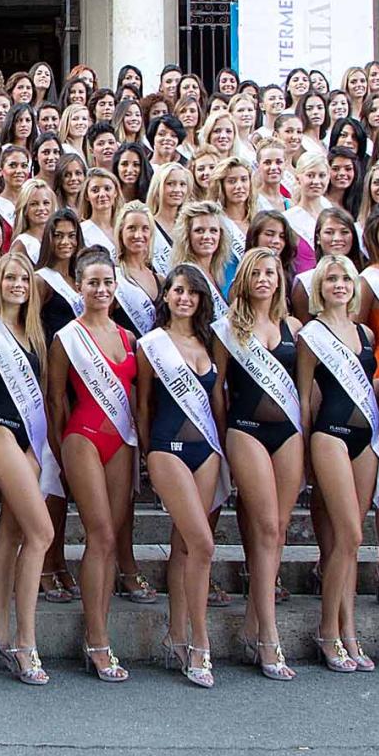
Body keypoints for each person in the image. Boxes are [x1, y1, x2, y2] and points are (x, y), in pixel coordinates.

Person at [0, 248, 57, 686]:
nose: (18, 285)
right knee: (43, 533)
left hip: (28, 438)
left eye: (24, 279)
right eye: (9, 278)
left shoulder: (35, 332)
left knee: (13, 535)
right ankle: (25, 641)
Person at [48, 249, 137, 682]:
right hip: (82, 437)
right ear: (78, 286)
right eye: (92, 283)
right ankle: (98, 639)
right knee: (99, 531)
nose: (101, 290)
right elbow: (54, 399)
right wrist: (62, 448)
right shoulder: (67, 336)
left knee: (111, 537)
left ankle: (96, 629)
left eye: (108, 282)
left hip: (121, 441)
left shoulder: (127, 338)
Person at [137, 263, 228, 686]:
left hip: (205, 451)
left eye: (192, 292)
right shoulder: (151, 344)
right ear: (166, 296)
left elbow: (218, 405)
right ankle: (200, 642)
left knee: (185, 546)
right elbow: (141, 405)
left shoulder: (210, 342)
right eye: (177, 290)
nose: (184, 298)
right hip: (167, 449)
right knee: (203, 544)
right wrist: (144, 453)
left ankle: (176, 635)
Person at [219, 245, 305, 680]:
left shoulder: (294, 326)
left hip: (288, 434)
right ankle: (270, 637)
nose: (265, 279)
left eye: (272, 272)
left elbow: (304, 389)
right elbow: (216, 390)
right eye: (257, 273)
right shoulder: (228, 328)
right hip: (246, 428)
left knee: (279, 528)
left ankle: (255, 621)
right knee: (266, 525)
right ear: (245, 279)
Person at [297, 255, 379, 675]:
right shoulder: (312, 334)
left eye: (345, 277)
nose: (339, 284)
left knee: (349, 543)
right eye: (330, 278)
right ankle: (328, 631)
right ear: (320, 286)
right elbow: (305, 394)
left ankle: (349, 631)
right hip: (328, 435)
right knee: (349, 533)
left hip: (365, 439)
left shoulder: (365, 332)